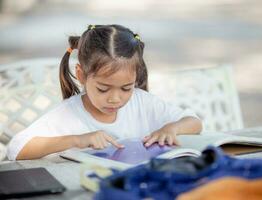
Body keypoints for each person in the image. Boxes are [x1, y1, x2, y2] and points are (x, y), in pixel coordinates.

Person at [7, 24, 202, 160]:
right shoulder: (69, 114)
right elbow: (16, 149)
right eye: (103, 88)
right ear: (81, 75)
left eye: (126, 88)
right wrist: (78, 140)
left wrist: (171, 129)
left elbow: (194, 122)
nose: (115, 98)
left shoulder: (142, 103)